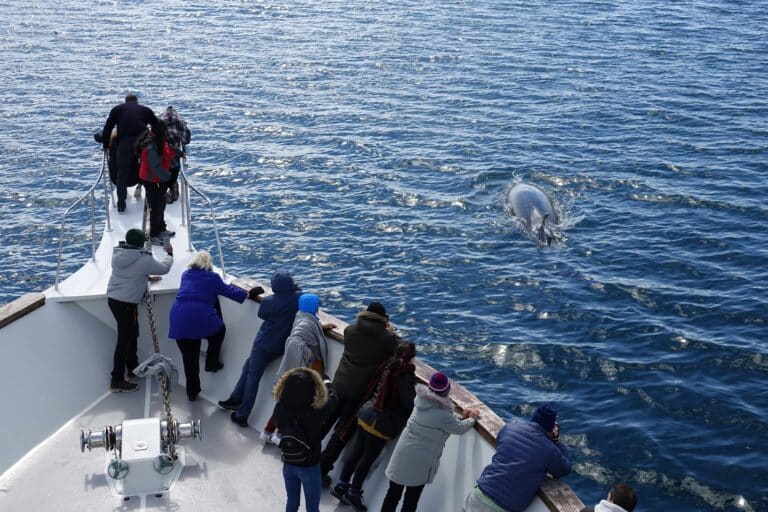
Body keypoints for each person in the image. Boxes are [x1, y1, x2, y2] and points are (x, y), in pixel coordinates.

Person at [330, 342, 417, 511]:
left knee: (356, 453)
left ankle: (341, 486)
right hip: (380, 423)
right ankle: (354, 493)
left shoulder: (387, 367)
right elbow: (409, 402)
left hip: (365, 413)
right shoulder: (405, 376)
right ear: (411, 359)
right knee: (367, 459)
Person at [320, 302, 399, 485]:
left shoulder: (350, 330)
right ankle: (322, 468)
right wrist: (390, 331)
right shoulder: (387, 338)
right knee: (342, 433)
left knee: (324, 422)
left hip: (338, 385)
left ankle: (305, 455)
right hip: (359, 393)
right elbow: (402, 348)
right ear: (383, 319)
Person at [381, 371, 480, 512]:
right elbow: (458, 428)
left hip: (402, 455)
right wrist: (472, 418)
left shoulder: (420, 401)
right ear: (447, 390)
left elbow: (438, 419)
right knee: (410, 500)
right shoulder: (444, 415)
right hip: (419, 462)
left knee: (392, 495)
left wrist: (458, 416)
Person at [218, 267, 302, 427]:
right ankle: (235, 399)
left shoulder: (269, 302)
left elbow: (261, 314)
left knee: (253, 377)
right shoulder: (299, 298)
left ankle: (242, 414)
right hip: (280, 346)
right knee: (247, 367)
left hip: (263, 344)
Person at [168, 250, 256, 401]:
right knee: (219, 331)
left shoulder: (186, 275)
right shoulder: (213, 277)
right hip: (200, 317)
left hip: (178, 317)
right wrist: (248, 294)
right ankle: (211, 362)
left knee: (190, 359)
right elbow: (229, 292)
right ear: (209, 264)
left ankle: (192, 392)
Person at [463, 405, 571, 512]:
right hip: (502, 507)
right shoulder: (550, 449)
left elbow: (501, 441)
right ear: (551, 428)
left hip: (479, 493)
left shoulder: (510, 428)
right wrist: (556, 441)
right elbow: (564, 469)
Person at [262, 293, 338, 443]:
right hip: (301, 366)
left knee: (284, 401)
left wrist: (322, 327)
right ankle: (280, 435)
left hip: (293, 367)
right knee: (294, 403)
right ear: (314, 307)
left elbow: (304, 328)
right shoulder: (308, 322)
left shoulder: (301, 316)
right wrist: (309, 357)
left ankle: (268, 431)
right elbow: (298, 339)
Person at [106, 228, 172, 392]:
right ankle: (117, 380)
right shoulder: (144, 259)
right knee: (124, 341)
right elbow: (164, 268)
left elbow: (129, 271)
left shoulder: (119, 254)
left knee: (132, 334)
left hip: (115, 300)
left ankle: (133, 367)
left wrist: (147, 277)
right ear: (141, 243)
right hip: (126, 304)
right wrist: (170, 255)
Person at [273, 367, 339, 512]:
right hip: (310, 467)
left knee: (292, 503)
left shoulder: (280, 408)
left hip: (289, 463)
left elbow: (279, 425)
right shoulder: (316, 411)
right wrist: (326, 381)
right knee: (312, 508)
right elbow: (333, 399)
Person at [102, 94, 159, 212]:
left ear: (125, 102)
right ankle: (149, 200)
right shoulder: (145, 110)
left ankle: (121, 203)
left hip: (125, 142)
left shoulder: (117, 109)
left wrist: (106, 146)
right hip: (143, 141)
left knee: (122, 172)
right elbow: (156, 126)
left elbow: (107, 128)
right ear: (137, 102)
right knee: (146, 168)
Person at [136, 121, 176, 246]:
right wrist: (167, 176)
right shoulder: (152, 146)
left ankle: (161, 229)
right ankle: (154, 235)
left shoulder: (157, 141)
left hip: (157, 180)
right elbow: (155, 166)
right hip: (153, 180)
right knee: (155, 208)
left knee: (161, 203)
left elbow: (167, 151)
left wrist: (178, 153)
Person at [160, 106, 191, 204]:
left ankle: (164, 193)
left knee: (163, 176)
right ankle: (174, 189)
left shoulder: (160, 124)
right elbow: (186, 140)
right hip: (176, 157)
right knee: (174, 175)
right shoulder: (181, 124)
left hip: (163, 157)